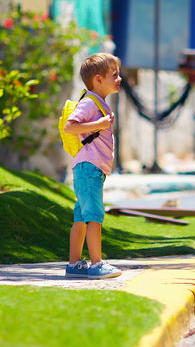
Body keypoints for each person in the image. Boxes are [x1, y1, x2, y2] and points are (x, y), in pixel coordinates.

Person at [63, 52, 123, 279]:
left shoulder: (98, 102)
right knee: (94, 215)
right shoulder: (89, 102)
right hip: (88, 168)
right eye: (114, 75)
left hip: (90, 169)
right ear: (98, 79)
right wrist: (99, 123)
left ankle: (75, 264)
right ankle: (97, 264)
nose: (119, 79)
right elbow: (71, 126)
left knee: (81, 217)